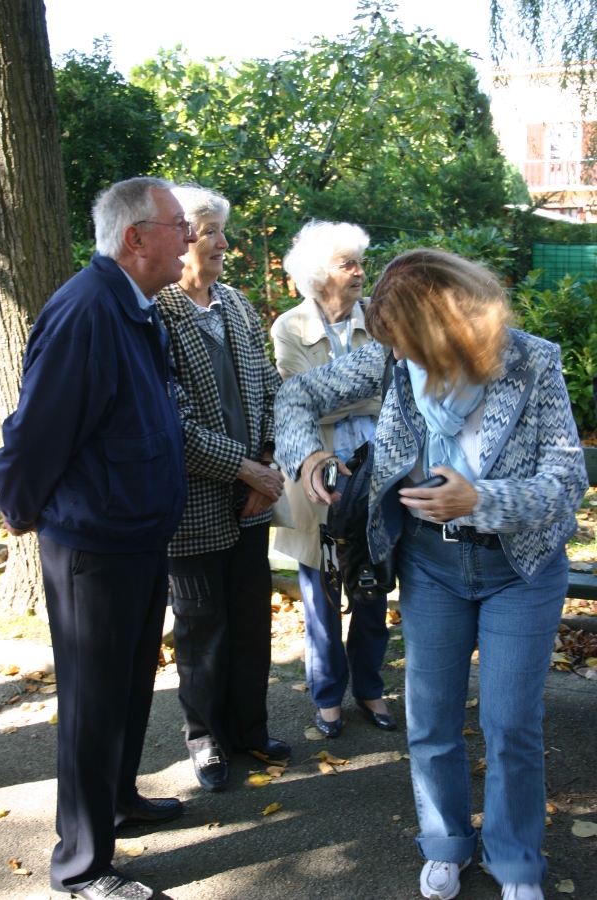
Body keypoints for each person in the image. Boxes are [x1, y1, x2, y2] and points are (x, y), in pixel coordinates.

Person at [273, 249, 588, 900]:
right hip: (430, 564)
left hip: (519, 567)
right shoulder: (396, 357)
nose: (405, 364)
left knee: (510, 723)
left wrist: (482, 500)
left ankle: (515, 858)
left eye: (417, 349)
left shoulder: (531, 362)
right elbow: (298, 393)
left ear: (453, 331)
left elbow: (566, 484)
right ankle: (446, 842)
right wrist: (305, 454)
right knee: (432, 716)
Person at [0, 177, 193, 900]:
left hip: (136, 533)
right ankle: (81, 866)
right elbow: (35, 430)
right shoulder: (87, 310)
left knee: (129, 685)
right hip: (95, 542)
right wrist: (17, 510)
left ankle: (116, 802)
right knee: (91, 699)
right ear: (135, 238)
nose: (191, 237)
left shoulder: (137, 306)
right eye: (179, 225)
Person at [155, 184, 290, 794]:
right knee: (201, 627)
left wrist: (265, 463)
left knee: (250, 623)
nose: (222, 243)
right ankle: (205, 738)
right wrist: (245, 468)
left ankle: (249, 729)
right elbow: (169, 421)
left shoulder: (234, 304)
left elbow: (268, 387)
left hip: (251, 503)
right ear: (181, 237)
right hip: (193, 508)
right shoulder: (155, 311)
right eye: (210, 231)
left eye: (220, 232)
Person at [271, 221, 393, 738]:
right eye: (349, 264)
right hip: (315, 478)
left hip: (375, 475)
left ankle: (368, 686)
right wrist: (361, 395)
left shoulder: (383, 322)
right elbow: (294, 398)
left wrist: (330, 398)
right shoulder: (289, 328)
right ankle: (326, 695)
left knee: (372, 586)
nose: (362, 272)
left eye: (361, 261)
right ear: (321, 275)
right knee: (320, 593)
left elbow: (392, 393)